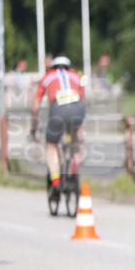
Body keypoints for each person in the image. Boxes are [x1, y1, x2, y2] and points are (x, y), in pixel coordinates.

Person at [30, 55, 86, 192]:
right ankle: (74, 168)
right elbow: (83, 101)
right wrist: (80, 128)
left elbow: (35, 107)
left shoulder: (47, 76)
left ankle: (56, 182)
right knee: (74, 139)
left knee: (51, 146)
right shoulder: (76, 76)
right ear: (69, 67)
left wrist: (33, 126)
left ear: (52, 67)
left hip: (58, 108)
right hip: (77, 108)